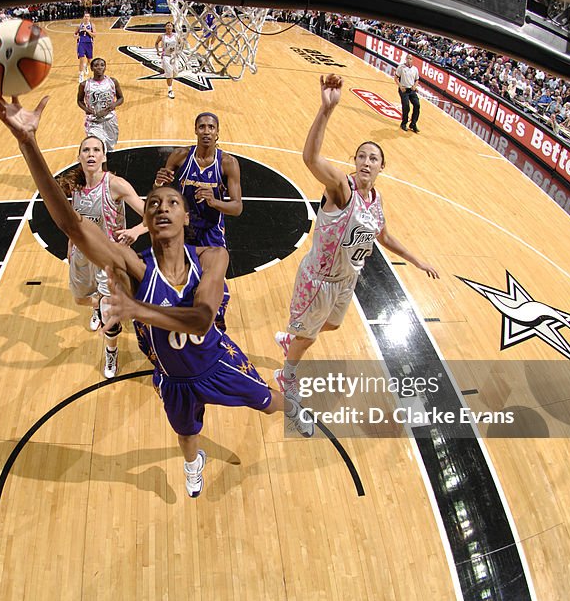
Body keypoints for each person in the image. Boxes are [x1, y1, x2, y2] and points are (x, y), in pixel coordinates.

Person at [0, 91, 312, 499]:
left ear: (186, 215)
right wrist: (28, 144)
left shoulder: (213, 256)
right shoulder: (135, 267)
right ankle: (194, 465)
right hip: (173, 377)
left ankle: (296, 408)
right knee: (186, 433)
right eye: (154, 202)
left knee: (267, 403)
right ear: (146, 217)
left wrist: (138, 308)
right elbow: (72, 226)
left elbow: (201, 318)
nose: (161, 206)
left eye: (171, 202)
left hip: (215, 361)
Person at [275, 75, 439, 400]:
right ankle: (287, 373)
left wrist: (417, 260)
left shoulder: (376, 200)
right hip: (320, 279)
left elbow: (384, 236)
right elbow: (310, 158)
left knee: (332, 326)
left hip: (347, 280)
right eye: (361, 155)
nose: (366, 161)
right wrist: (326, 109)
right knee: (309, 339)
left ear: (382, 167)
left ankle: (294, 337)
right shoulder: (342, 188)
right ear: (354, 162)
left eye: (373, 158)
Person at [63, 135, 147, 378]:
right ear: (79, 157)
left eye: (96, 150)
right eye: (86, 150)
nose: (91, 154)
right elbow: (76, 221)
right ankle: (98, 304)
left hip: (108, 259)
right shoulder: (76, 185)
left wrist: (135, 230)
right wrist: (70, 245)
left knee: (108, 312)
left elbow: (150, 216)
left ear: (104, 156)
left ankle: (111, 352)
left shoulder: (116, 184)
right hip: (81, 254)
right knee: (80, 299)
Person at [155, 112, 241, 330]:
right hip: (185, 227)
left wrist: (214, 202)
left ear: (217, 132)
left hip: (211, 228)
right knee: (182, 274)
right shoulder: (180, 156)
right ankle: (180, 312)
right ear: (195, 130)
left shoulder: (228, 163)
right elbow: (162, 191)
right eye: (202, 127)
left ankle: (218, 315)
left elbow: (237, 207)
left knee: (215, 275)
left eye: (211, 127)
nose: (206, 131)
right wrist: (157, 184)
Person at [77, 58, 124, 154]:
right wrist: (87, 109)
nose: (99, 67)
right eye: (96, 65)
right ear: (91, 68)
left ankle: (106, 166)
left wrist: (112, 105)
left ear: (105, 67)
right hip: (94, 121)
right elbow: (79, 100)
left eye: (102, 65)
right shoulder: (84, 84)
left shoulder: (113, 82)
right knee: (98, 147)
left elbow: (121, 98)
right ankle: (103, 169)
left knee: (109, 147)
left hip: (110, 119)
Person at [394, 53, 421, 133]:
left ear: (412, 60)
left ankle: (413, 124)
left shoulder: (415, 69)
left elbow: (417, 80)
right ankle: (404, 123)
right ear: (406, 59)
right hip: (404, 89)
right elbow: (396, 78)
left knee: (417, 105)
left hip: (411, 90)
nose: (409, 60)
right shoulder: (401, 67)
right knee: (406, 107)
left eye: (411, 58)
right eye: (408, 58)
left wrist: (415, 86)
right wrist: (400, 86)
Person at [155, 22, 182, 99]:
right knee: (169, 73)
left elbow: (181, 43)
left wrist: (179, 49)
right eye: (168, 25)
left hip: (174, 56)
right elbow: (156, 43)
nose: (169, 27)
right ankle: (170, 90)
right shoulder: (161, 36)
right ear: (165, 27)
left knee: (175, 73)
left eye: (170, 26)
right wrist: (157, 50)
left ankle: (168, 75)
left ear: (172, 28)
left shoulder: (176, 36)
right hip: (166, 56)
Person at [75, 13, 96, 84]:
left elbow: (94, 35)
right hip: (81, 43)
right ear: (83, 17)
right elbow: (75, 34)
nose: (86, 17)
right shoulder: (79, 25)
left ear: (89, 17)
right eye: (85, 16)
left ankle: (86, 66)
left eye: (88, 16)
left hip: (89, 43)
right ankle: (81, 74)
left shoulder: (92, 25)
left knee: (90, 60)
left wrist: (87, 31)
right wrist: (75, 36)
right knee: (81, 59)